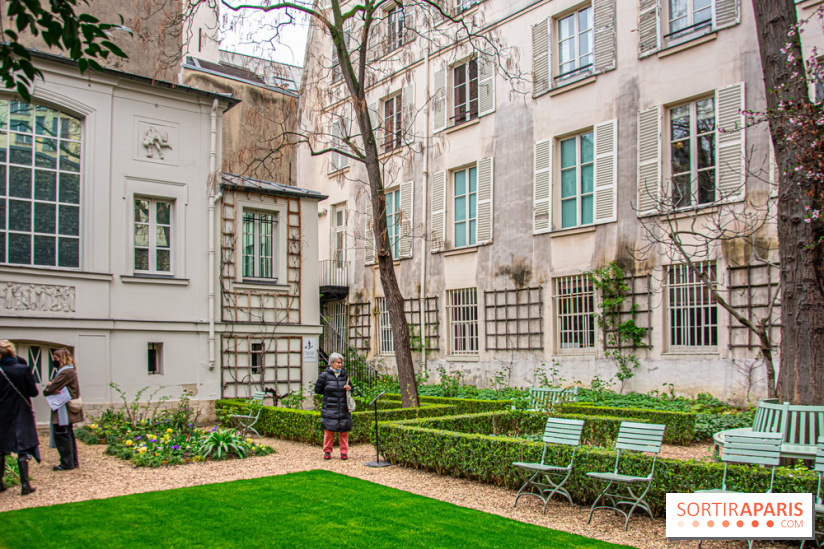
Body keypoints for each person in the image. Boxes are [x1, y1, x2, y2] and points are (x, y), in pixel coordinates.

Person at [0, 340, 39, 495]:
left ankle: (0, 483)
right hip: (20, 411)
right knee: (23, 449)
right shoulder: (22, 369)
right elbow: (33, 392)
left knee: (1, 449)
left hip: (2, 413)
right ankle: (25, 485)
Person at [44, 348, 83, 471]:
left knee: (62, 435)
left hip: (63, 409)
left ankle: (67, 462)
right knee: (68, 434)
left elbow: (50, 389)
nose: (55, 361)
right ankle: (72, 461)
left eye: (56, 358)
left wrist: (49, 386)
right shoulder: (69, 371)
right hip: (64, 408)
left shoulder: (65, 372)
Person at [314, 352, 353, 460]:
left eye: (341, 363)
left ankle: (344, 452)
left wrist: (349, 389)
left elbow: (352, 389)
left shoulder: (345, 375)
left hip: (343, 407)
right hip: (330, 407)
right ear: (332, 363)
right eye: (338, 362)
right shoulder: (324, 376)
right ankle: (327, 451)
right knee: (329, 431)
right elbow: (318, 390)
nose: (340, 365)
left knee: (344, 432)